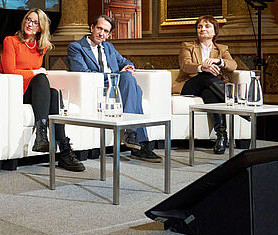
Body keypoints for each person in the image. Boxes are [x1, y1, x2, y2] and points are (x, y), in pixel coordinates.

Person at [67, 15, 162, 163]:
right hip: (98, 88)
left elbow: (124, 61)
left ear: (109, 34)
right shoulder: (76, 47)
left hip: (117, 85)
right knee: (134, 88)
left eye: (106, 31)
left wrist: (129, 67)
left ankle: (133, 136)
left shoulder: (109, 47)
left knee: (132, 83)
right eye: (99, 28)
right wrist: (116, 75)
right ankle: (139, 143)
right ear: (92, 28)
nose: (101, 33)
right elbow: (84, 72)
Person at [1, 9, 85, 172]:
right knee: (40, 77)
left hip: (32, 91)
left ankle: (62, 148)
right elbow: (10, 71)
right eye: (28, 20)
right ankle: (46, 139)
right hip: (13, 91)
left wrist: (36, 73)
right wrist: (35, 72)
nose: (29, 24)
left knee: (53, 93)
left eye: (35, 22)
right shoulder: (10, 41)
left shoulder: (42, 46)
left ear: (41, 28)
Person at [173, 15, 237, 154]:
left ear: (215, 31)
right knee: (205, 76)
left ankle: (221, 136)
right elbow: (185, 66)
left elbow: (232, 65)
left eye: (207, 26)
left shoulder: (221, 49)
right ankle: (235, 103)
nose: (202, 29)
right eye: (199, 27)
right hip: (189, 85)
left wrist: (218, 61)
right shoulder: (187, 46)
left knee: (209, 94)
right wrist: (202, 67)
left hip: (209, 86)